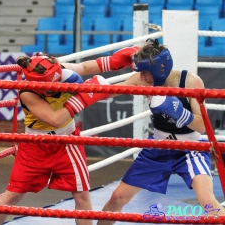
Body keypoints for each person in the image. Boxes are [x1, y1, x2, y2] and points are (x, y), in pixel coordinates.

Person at [64, 39, 225, 224]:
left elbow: (201, 126)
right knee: (117, 198)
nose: (142, 77)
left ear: (160, 69)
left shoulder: (191, 82)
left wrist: (179, 113)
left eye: (146, 73)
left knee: (208, 204)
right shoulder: (144, 80)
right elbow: (110, 92)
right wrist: (79, 88)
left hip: (190, 148)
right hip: (158, 147)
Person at [0, 52, 123, 225]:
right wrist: (83, 98)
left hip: (67, 143)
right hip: (35, 147)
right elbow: (54, 119)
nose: (55, 86)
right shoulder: (27, 92)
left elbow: (86, 67)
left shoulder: (61, 71)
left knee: (81, 195)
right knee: (13, 195)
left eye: (56, 81)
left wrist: (121, 61)